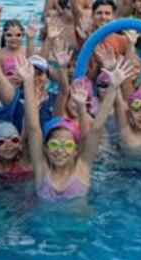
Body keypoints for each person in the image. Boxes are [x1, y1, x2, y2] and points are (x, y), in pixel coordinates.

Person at [21, 55, 129, 202]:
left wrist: (113, 88)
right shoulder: (42, 168)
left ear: (76, 149)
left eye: (67, 145)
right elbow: (33, 129)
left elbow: (96, 129)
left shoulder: (82, 167)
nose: (60, 150)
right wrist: (27, 82)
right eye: (54, 144)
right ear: (45, 148)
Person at [0, 121, 34, 186]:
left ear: (20, 144)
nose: (9, 145)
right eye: (1, 142)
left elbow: (31, 131)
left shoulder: (24, 163)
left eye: (14, 140)